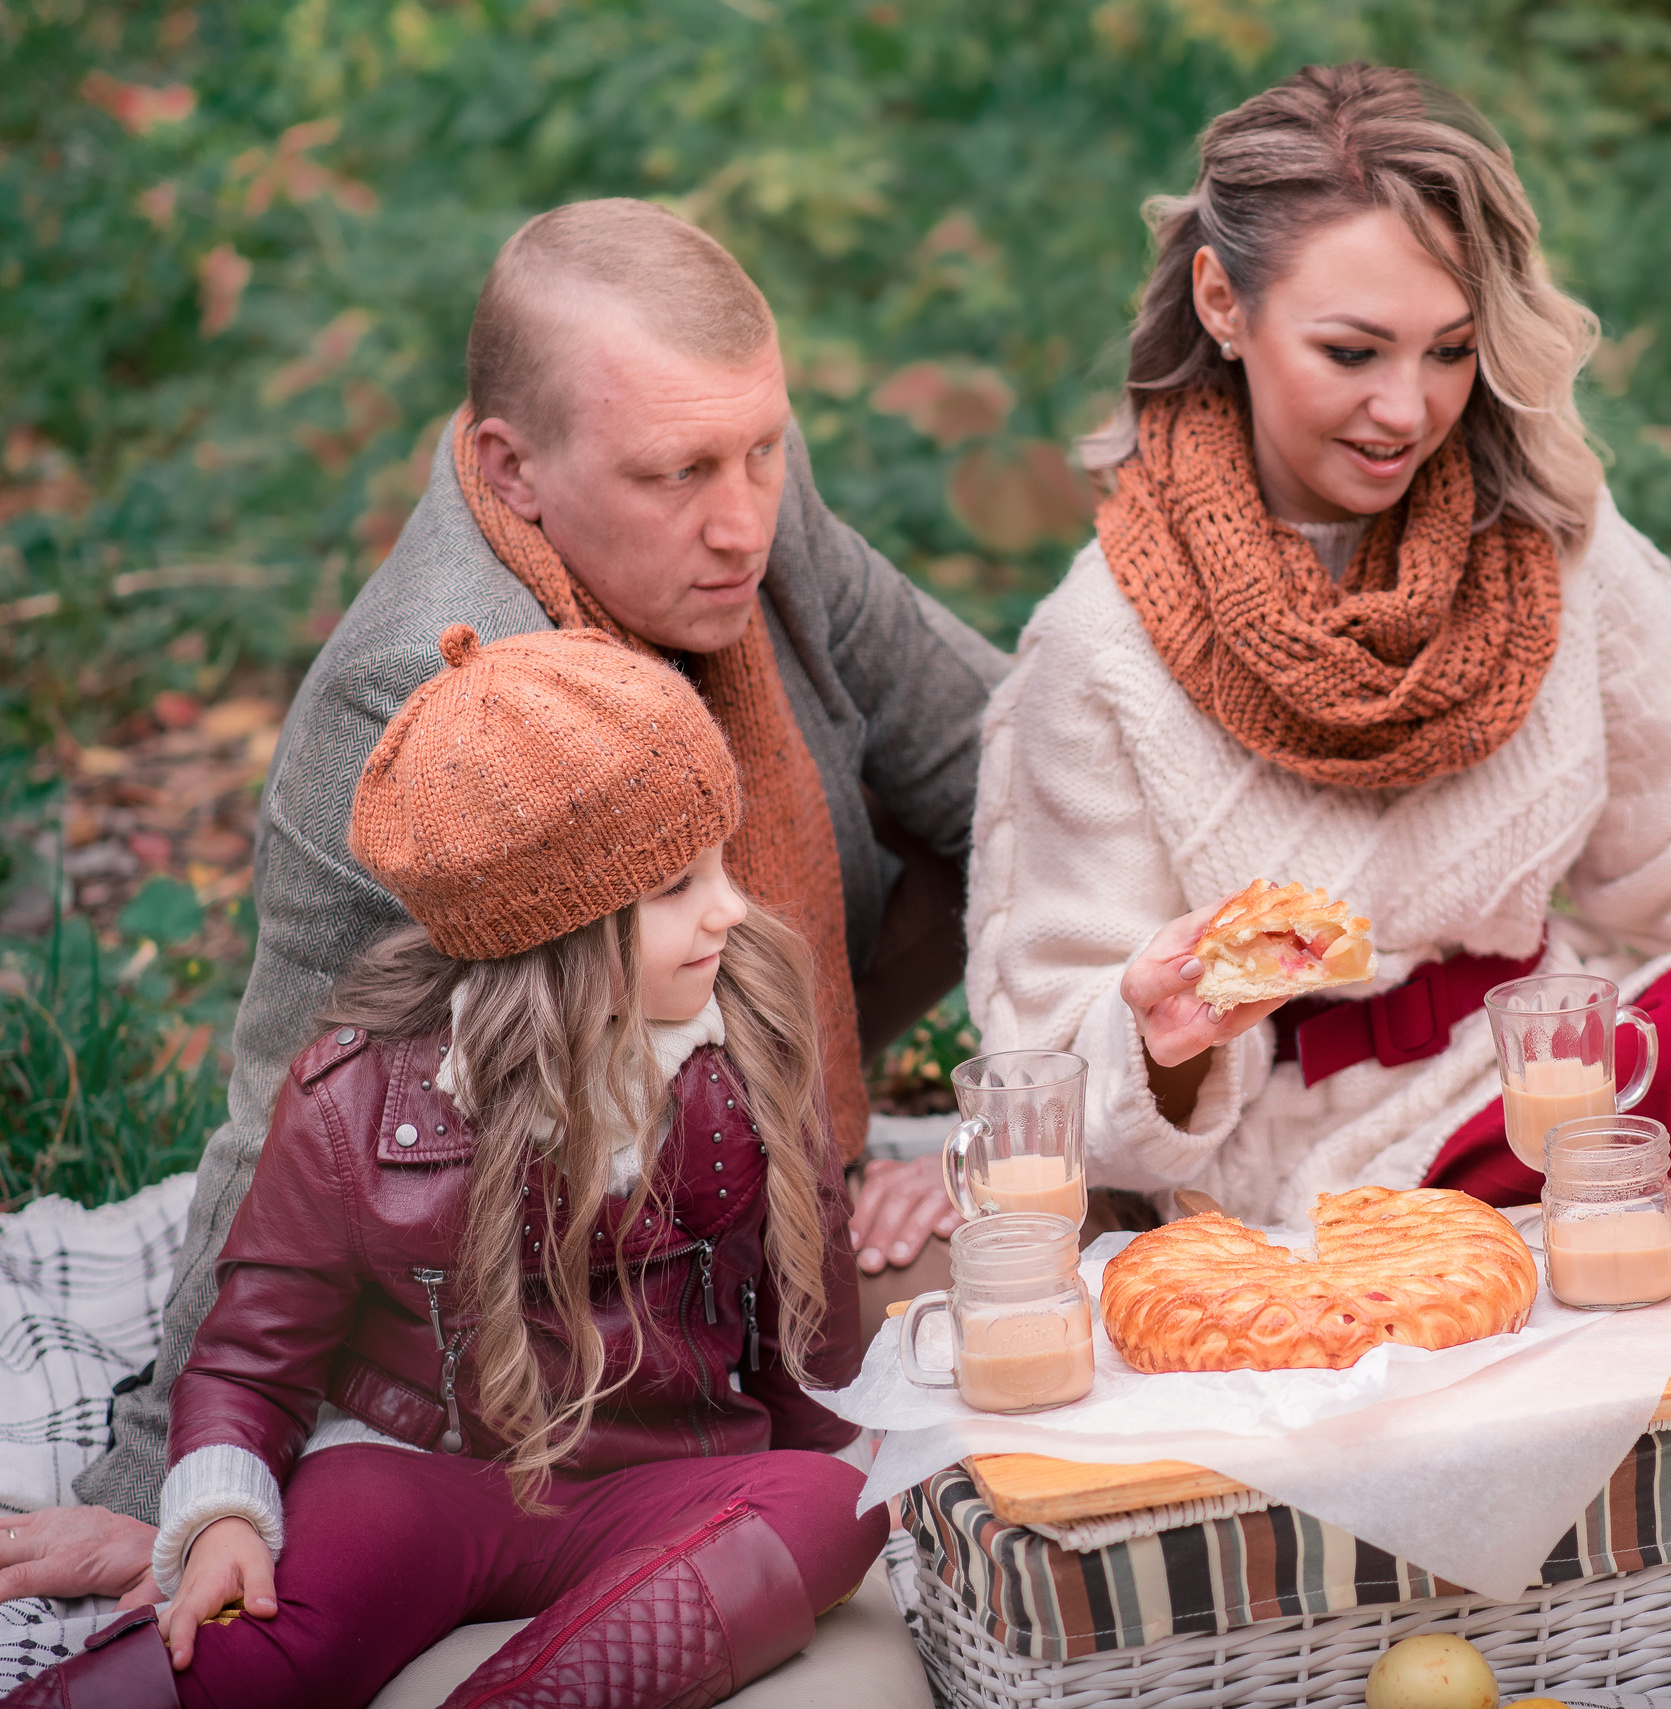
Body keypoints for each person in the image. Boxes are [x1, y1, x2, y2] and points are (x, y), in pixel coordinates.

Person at [0, 199, 1000, 1606]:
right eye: (678, 474)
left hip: (762, 1159)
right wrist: (162, 1485)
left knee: (1055, 1320)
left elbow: (1010, 774)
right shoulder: (416, 696)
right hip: (554, 1291)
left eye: (764, 450)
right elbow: (288, 1091)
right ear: (508, 468)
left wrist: (983, 1122)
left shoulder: (752, 507)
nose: (743, 522)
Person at [963, 63, 1671, 1230]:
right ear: (1221, 301)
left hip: (1566, 1072)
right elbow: (1045, 1067)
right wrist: (1156, 1029)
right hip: (1317, 1169)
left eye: (1448, 350)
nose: (1407, 409)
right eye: (1353, 353)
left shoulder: (1538, 545)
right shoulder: (1102, 644)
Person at [2, 627, 882, 1709]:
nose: (730, 908)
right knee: (272, 1632)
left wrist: (845, 1456)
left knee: (835, 1503)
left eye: (719, 864)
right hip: (423, 1474)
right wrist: (223, 1507)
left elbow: (809, 1319)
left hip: (663, 1478)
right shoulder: (358, 1097)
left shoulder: (747, 1044)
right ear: (554, 928)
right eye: (674, 887)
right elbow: (251, 1351)